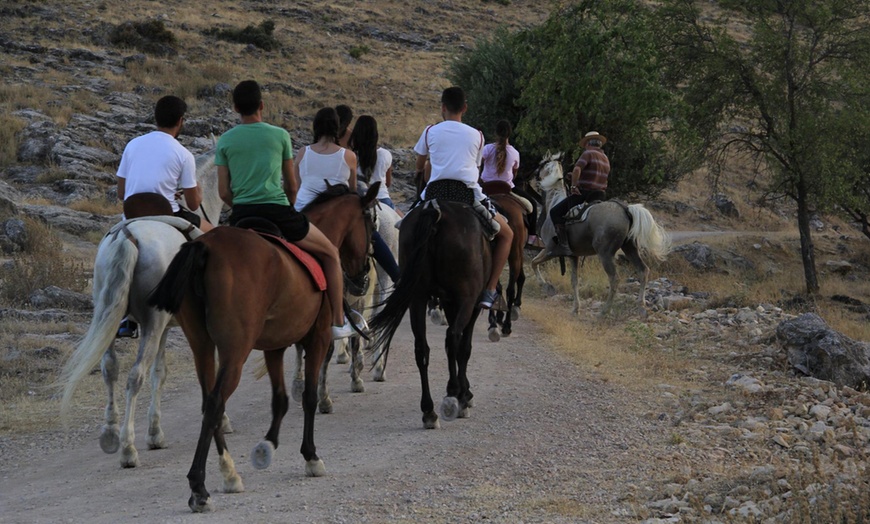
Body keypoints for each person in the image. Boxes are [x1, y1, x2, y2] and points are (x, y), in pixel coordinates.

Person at [216, 81, 355, 339]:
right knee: (331, 253)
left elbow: (223, 192)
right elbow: (292, 187)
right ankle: (337, 321)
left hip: (242, 214)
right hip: (278, 211)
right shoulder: (279, 135)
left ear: (235, 108)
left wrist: (242, 205)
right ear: (262, 105)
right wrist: (289, 208)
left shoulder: (225, 140)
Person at [115, 95, 215, 338]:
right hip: (166, 213)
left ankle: (124, 320)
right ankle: (207, 303)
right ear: (181, 121)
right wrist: (198, 194)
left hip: (131, 214)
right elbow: (192, 203)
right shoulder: (183, 154)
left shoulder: (133, 144)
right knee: (215, 236)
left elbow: (121, 192)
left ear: (155, 118)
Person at [413, 86, 513, 309]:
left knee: (405, 226)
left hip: (434, 193)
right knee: (507, 235)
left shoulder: (430, 131)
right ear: (465, 108)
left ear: (443, 108)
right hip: (467, 194)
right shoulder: (477, 135)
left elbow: (420, 165)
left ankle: (410, 282)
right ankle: (489, 291)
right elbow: (475, 169)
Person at [296, 108, 400, 283]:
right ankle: (397, 277)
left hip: (302, 215)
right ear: (337, 128)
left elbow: (297, 188)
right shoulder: (348, 156)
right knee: (372, 234)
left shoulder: (302, 152)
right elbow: (351, 196)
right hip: (334, 217)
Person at [547, 131, 610, 257]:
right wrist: (576, 178)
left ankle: (563, 245)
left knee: (555, 212)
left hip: (585, 194)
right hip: (600, 194)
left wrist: (574, 185)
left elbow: (577, 168)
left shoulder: (587, 153)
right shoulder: (605, 158)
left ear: (587, 143)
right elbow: (597, 177)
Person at [479, 119, 539, 246]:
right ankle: (532, 238)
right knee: (532, 205)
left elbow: (479, 163)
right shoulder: (515, 153)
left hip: (485, 188)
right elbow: (514, 173)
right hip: (506, 189)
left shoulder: (487, 149)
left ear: (496, 133)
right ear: (509, 134)